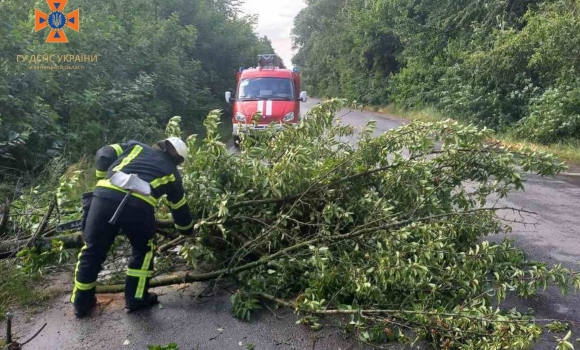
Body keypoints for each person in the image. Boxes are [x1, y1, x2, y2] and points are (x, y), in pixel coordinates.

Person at [71, 137, 195, 318]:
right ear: (178, 160)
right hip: (139, 206)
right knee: (143, 250)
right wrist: (188, 231)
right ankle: (136, 299)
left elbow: (104, 154)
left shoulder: (136, 147)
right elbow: (180, 210)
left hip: (103, 197)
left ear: (160, 145)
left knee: (92, 249)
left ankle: (81, 302)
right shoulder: (172, 174)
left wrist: (102, 181)